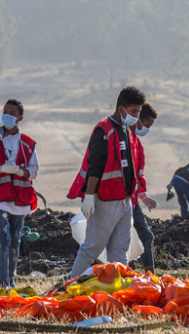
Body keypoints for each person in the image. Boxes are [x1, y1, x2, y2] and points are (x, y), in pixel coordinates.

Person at [66, 86, 145, 279]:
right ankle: (69, 286)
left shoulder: (125, 129)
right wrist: (89, 196)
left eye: (138, 112)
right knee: (91, 249)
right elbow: (96, 166)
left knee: (120, 252)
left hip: (124, 199)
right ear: (121, 109)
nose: (136, 116)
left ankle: (118, 292)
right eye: (134, 111)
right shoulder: (104, 130)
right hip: (105, 199)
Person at [0, 99, 39, 289]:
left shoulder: (28, 144)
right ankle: (3, 283)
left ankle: (11, 281)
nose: (7, 115)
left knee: (15, 240)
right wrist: (1, 168)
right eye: (5, 111)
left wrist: (21, 172)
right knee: (3, 239)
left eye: (11, 112)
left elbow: (35, 170)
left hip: (20, 201)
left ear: (19, 118)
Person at [131, 103, 158, 271]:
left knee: (146, 237)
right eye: (146, 125)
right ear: (138, 120)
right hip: (117, 201)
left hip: (132, 202)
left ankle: (151, 276)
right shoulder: (121, 141)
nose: (146, 130)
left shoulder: (137, 146)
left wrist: (143, 197)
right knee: (118, 241)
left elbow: (138, 175)